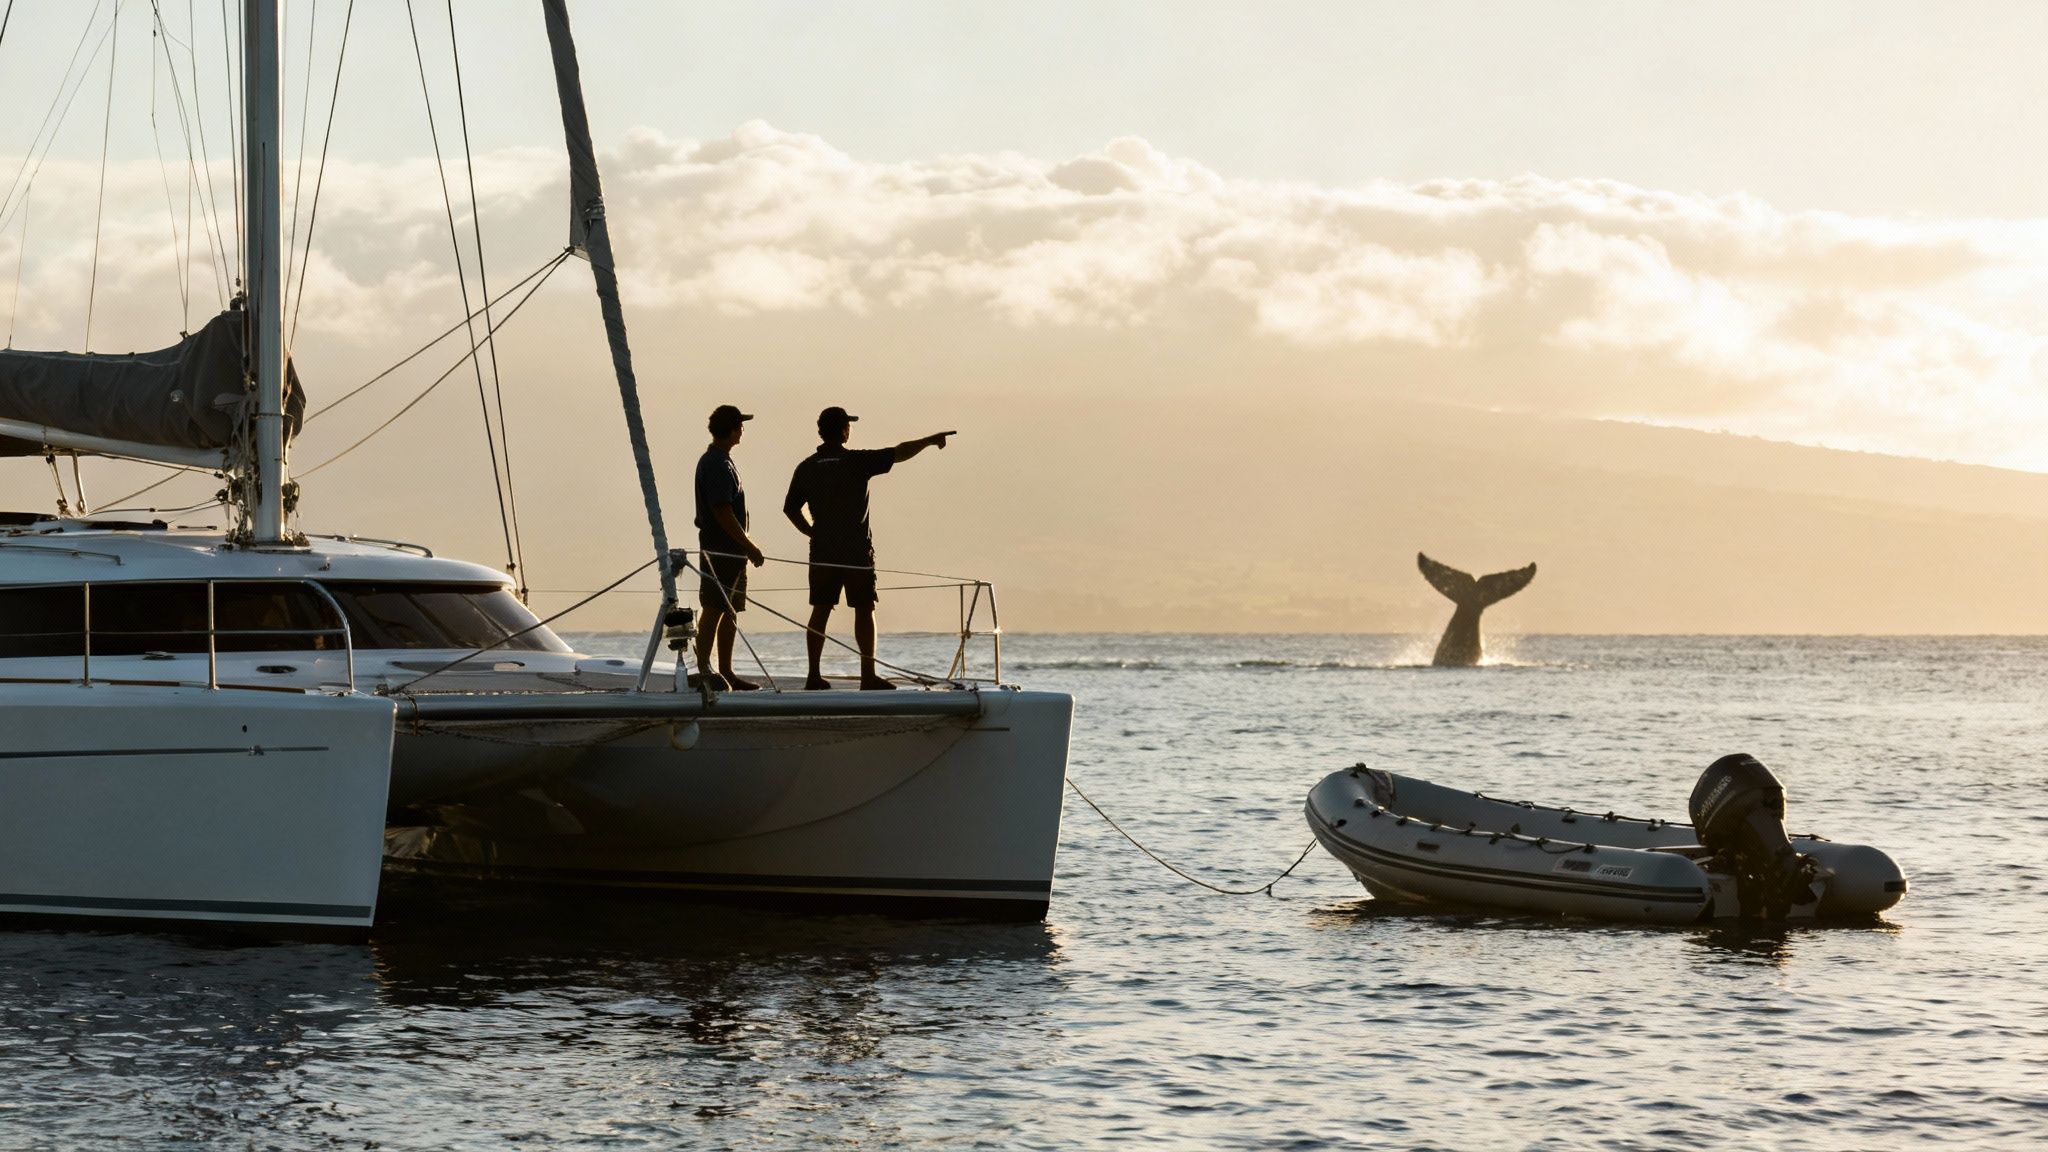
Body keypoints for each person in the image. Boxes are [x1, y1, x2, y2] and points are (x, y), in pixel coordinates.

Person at [783, 406, 955, 690]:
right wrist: (928, 440)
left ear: (821, 432)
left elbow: (791, 509)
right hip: (855, 549)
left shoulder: (807, 467)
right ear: (844, 431)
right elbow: (899, 452)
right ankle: (868, 675)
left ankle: (813, 675)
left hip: (823, 550)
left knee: (821, 609)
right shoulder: (856, 462)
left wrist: (811, 532)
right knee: (864, 608)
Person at [693, 404, 766, 690]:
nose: (743, 431)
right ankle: (704, 670)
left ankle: (726, 670)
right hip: (720, 549)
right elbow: (722, 510)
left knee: (730, 610)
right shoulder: (716, 464)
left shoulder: (722, 460)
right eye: (740, 426)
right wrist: (750, 545)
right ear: (733, 429)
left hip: (731, 551)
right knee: (713, 607)